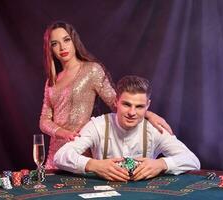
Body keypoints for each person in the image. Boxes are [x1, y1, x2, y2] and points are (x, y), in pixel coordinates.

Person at [39, 21, 173, 169]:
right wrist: (63, 133)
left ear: (74, 40)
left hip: (80, 150)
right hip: (54, 154)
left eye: (66, 40)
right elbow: (44, 120)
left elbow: (116, 103)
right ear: (50, 49)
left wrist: (148, 115)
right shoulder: (51, 81)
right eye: (55, 44)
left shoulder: (92, 70)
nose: (62, 47)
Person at [54, 75, 200, 181]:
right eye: (126, 104)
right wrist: (93, 165)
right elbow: (60, 156)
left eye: (139, 106)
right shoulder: (97, 126)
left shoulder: (155, 129)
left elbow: (193, 161)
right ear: (116, 101)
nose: (132, 112)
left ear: (147, 105)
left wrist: (161, 164)